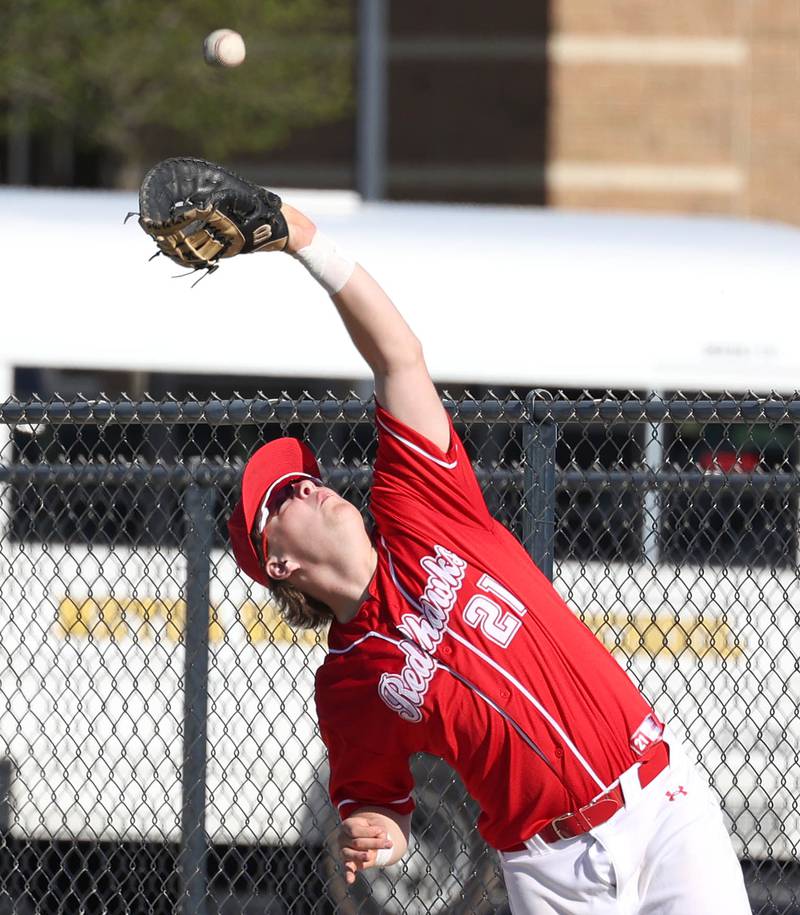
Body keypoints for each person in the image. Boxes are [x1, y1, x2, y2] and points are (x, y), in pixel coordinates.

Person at [227, 201, 752, 915]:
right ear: (278, 563)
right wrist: (378, 829)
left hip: (660, 801)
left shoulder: (418, 508)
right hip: (552, 864)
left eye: (305, 473)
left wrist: (307, 243)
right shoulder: (348, 683)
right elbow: (381, 807)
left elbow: (398, 357)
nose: (310, 483)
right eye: (284, 496)